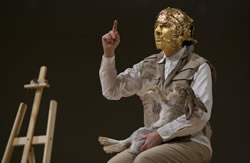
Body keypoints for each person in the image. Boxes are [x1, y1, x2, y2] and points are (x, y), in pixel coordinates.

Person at [99, 7, 216, 163]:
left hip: (191, 142)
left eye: (166, 25)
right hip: (151, 139)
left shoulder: (199, 67)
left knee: (145, 160)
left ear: (184, 32)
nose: (158, 31)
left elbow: (199, 116)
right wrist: (109, 53)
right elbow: (111, 91)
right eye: (157, 25)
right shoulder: (148, 65)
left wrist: (161, 134)